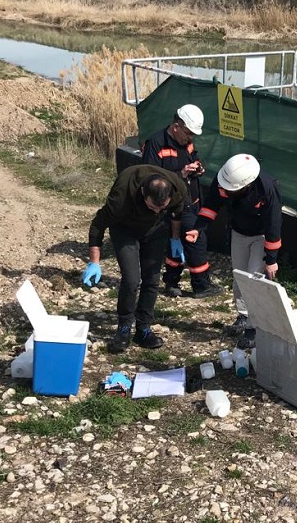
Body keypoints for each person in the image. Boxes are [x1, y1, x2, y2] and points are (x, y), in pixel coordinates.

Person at [82, 165, 188, 353]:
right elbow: (98, 225)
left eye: (160, 208)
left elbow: (177, 214)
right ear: (142, 193)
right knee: (131, 280)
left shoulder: (178, 188)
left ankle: (143, 329)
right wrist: (94, 262)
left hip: (155, 231)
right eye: (151, 207)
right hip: (125, 230)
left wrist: (175, 238)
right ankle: (124, 328)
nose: (156, 211)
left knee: (152, 280)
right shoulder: (122, 195)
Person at [187, 153, 282, 349]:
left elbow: (274, 224)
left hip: (260, 236)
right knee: (239, 278)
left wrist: (271, 259)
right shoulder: (225, 180)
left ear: (246, 185)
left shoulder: (266, 188)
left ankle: (254, 328)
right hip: (238, 233)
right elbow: (211, 205)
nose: (228, 191)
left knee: (254, 280)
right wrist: (198, 227)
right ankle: (243, 316)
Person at [139, 104, 222, 299]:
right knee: (196, 239)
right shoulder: (156, 143)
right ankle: (201, 285)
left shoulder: (187, 143)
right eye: (188, 133)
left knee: (177, 241)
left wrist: (198, 168)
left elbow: (194, 156)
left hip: (191, 199)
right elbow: (150, 178)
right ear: (176, 126)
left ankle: (171, 282)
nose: (190, 138)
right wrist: (181, 174)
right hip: (170, 203)